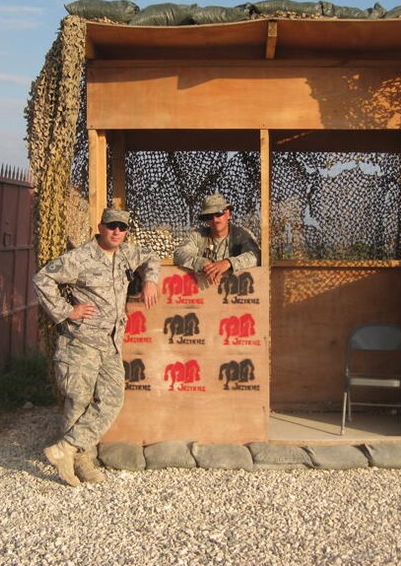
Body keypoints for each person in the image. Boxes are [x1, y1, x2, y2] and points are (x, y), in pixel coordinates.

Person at [33, 207, 160, 486]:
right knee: (78, 399)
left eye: (122, 227)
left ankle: (65, 449)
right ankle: (80, 462)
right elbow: (43, 279)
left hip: (112, 343)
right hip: (81, 342)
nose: (117, 232)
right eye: (112, 226)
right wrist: (67, 311)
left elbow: (151, 258)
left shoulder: (126, 253)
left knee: (113, 398)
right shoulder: (80, 258)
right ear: (101, 227)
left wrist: (150, 281)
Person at [173, 193, 260, 285]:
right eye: (209, 217)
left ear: (228, 214)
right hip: (204, 293)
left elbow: (255, 255)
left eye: (219, 214)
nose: (215, 220)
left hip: (236, 291)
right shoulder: (198, 236)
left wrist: (228, 263)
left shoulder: (241, 234)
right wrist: (200, 263)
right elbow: (179, 254)